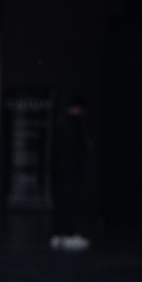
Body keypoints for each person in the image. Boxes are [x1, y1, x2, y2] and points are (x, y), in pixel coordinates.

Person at [50, 99, 91, 252]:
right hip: (69, 170)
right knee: (68, 202)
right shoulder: (71, 125)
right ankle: (67, 234)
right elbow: (77, 145)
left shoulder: (62, 123)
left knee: (62, 202)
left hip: (62, 170)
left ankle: (59, 234)